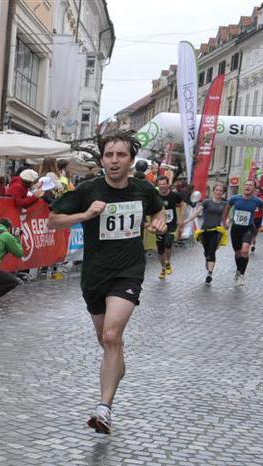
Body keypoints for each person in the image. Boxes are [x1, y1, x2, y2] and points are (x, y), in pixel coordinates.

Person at [48, 130, 166, 435]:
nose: (114, 160)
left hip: (128, 271)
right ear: (102, 159)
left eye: (121, 155)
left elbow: (159, 210)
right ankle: (116, 367)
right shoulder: (88, 190)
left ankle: (104, 409)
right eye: (109, 155)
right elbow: (53, 220)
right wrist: (86, 214)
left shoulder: (143, 189)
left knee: (112, 336)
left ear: (131, 160)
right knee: (106, 341)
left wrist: (160, 221)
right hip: (94, 275)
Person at [183, 182, 228, 284]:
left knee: (212, 251)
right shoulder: (207, 202)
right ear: (213, 191)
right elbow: (196, 213)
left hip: (216, 231)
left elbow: (226, 217)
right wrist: (186, 221)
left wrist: (226, 223)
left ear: (223, 193)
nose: (218, 192)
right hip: (205, 231)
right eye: (217, 190)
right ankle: (208, 259)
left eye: (221, 191)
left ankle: (209, 274)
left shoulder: (225, 204)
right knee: (207, 252)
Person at [225, 179, 263, 287]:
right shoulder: (235, 198)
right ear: (244, 187)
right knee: (237, 253)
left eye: (250, 185)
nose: (248, 186)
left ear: (254, 188)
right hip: (235, 229)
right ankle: (238, 270)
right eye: (246, 185)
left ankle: (242, 275)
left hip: (248, 228)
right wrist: (225, 220)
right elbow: (227, 207)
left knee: (245, 250)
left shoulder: (257, 201)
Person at [154, 175, 185, 279]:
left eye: (164, 184)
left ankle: (167, 261)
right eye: (160, 184)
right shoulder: (155, 196)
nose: (162, 186)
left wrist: (181, 218)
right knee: (160, 249)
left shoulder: (174, 195)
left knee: (168, 243)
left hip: (171, 224)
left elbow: (182, 204)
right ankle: (163, 268)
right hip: (159, 224)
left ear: (168, 184)